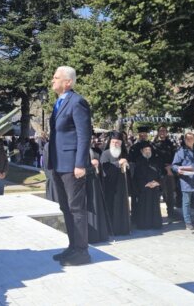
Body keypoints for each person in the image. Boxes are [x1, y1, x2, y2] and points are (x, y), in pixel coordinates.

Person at [47, 66, 93, 266]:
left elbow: (84, 135)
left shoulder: (77, 102)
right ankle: (73, 246)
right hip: (58, 164)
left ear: (68, 82)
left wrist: (80, 163)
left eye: (56, 78)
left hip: (72, 164)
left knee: (76, 209)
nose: (52, 80)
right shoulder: (59, 102)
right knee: (65, 207)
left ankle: (82, 251)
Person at [172, 133, 194, 231]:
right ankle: (188, 222)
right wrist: (178, 169)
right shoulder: (180, 151)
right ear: (184, 140)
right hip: (186, 181)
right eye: (187, 139)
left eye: (191, 138)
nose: (189, 140)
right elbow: (174, 165)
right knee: (186, 202)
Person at [98, 132, 131, 236]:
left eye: (117, 142)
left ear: (121, 144)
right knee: (111, 207)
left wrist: (127, 165)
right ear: (110, 142)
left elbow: (129, 171)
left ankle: (123, 228)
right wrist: (118, 163)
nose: (115, 144)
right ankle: (111, 229)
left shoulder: (124, 154)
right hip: (110, 187)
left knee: (122, 207)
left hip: (121, 187)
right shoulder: (106, 153)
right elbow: (105, 169)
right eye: (113, 142)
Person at [133, 145, 164, 230]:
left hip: (154, 188)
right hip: (144, 189)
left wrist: (157, 182)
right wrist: (145, 184)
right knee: (144, 207)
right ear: (142, 151)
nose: (147, 151)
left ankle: (155, 224)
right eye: (146, 149)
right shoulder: (138, 161)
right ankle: (144, 225)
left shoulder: (155, 161)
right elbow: (136, 176)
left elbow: (160, 173)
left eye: (149, 149)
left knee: (154, 206)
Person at [153, 126, 178, 220]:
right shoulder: (154, 144)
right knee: (156, 194)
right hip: (158, 172)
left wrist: (170, 167)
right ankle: (156, 215)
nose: (162, 132)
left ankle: (171, 213)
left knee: (169, 194)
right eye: (160, 131)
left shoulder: (171, 144)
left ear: (167, 132)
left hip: (169, 172)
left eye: (164, 131)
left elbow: (175, 157)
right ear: (158, 132)